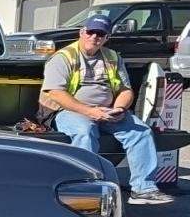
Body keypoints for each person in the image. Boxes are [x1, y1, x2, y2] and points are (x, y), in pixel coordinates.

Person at [40, 15, 171, 205]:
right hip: (69, 111)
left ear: (106, 37)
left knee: (141, 132)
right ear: (82, 32)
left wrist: (119, 108)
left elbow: (125, 90)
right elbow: (56, 93)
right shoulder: (63, 57)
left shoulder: (112, 57)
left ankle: (143, 189)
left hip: (107, 111)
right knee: (84, 132)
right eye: (90, 32)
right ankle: (84, 189)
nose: (94, 37)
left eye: (100, 34)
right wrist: (90, 112)